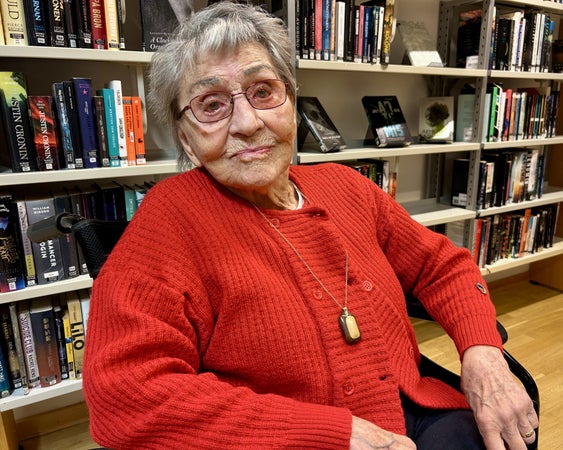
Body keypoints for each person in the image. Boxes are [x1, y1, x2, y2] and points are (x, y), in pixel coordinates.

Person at [82, 3, 538, 449]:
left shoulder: (345, 184)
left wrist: (483, 354)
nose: (248, 123)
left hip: (416, 407)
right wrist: (329, 433)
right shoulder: (169, 219)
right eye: (212, 104)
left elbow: (441, 265)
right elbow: (125, 396)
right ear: (185, 138)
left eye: (263, 92)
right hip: (290, 436)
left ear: (291, 101)